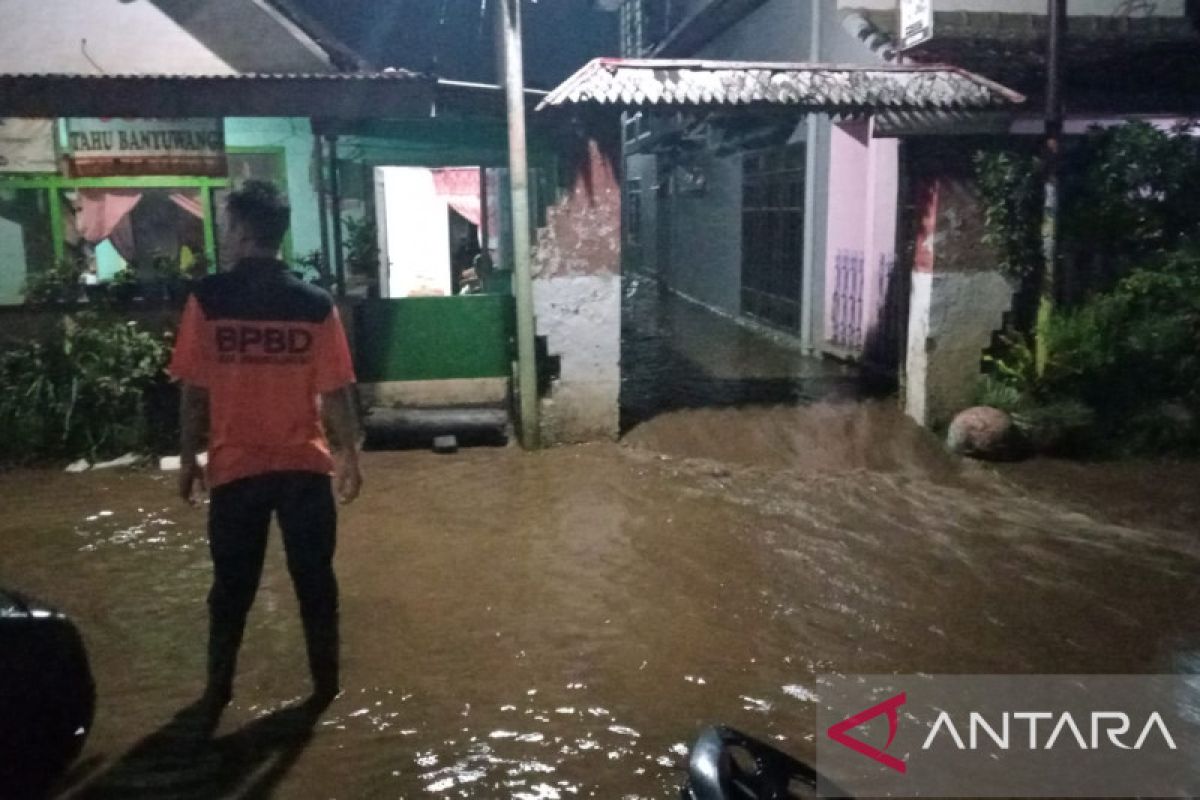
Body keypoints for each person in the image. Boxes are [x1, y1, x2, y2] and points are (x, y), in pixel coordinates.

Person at [169, 180, 362, 728]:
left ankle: (215, 698)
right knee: (315, 583)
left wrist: (189, 460)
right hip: (304, 468)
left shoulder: (208, 299)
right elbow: (337, 390)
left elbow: (194, 389)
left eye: (229, 226)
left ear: (243, 231)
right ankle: (325, 692)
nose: (226, 236)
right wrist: (351, 457)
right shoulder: (315, 304)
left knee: (231, 590)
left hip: (236, 471)